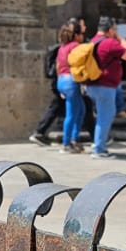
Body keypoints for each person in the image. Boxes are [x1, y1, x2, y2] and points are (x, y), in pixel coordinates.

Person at [84, 17, 126, 158]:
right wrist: (121, 38)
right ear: (111, 30)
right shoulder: (109, 42)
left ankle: (97, 144)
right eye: (115, 30)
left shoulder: (93, 41)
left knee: (101, 116)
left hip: (92, 85)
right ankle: (99, 149)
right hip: (105, 86)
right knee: (105, 117)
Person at [53, 21, 86, 154]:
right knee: (72, 114)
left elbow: (58, 66)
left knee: (81, 110)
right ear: (76, 35)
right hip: (71, 81)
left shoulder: (62, 47)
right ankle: (67, 143)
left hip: (62, 80)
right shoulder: (76, 46)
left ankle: (74, 139)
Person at [28, 27, 66, 146]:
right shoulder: (61, 49)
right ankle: (39, 132)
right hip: (61, 82)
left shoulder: (55, 48)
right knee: (56, 108)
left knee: (57, 108)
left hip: (58, 82)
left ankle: (40, 132)